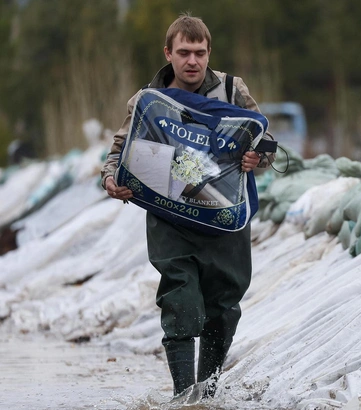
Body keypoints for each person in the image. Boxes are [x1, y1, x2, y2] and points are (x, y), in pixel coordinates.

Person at [100, 13, 275, 399]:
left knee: (223, 304)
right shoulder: (148, 101)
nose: (192, 61)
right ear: (168, 53)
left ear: (209, 52)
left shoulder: (233, 90)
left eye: (199, 52)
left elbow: (264, 142)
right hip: (169, 217)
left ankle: (207, 395)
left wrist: (255, 159)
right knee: (179, 300)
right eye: (184, 52)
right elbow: (119, 150)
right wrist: (111, 179)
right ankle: (184, 398)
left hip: (224, 218)